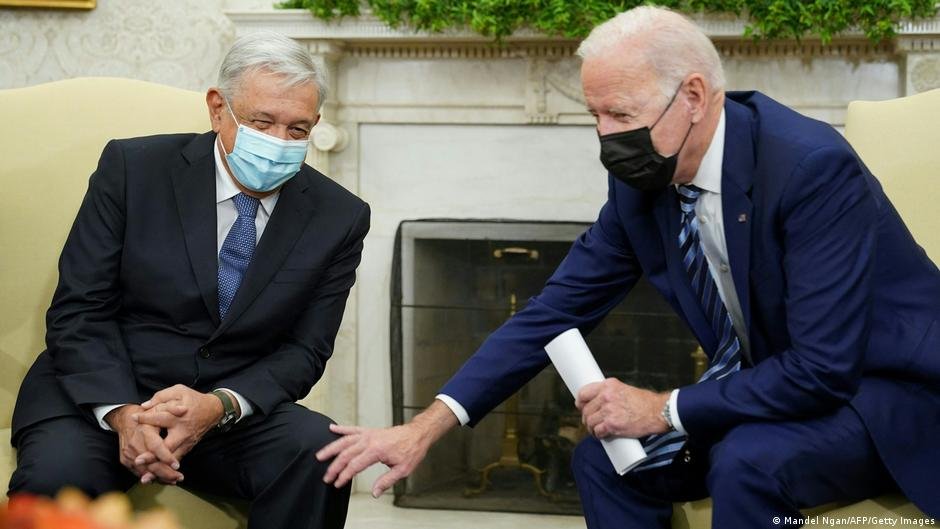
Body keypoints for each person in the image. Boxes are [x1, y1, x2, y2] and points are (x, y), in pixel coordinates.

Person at [316, 6, 940, 528]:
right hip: (773, 389)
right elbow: (553, 312)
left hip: (881, 395)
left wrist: (663, 409)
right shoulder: (643, 185)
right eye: (595, 115)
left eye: (621, 114)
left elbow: (822, 370)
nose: (606, 138)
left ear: (693, 96)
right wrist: (425, 428)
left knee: (746, 461)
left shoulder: (809, 168)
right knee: (605, 460)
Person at [7, 31, 368, 529]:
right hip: (99, 396)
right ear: (218, 109)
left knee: (324, 453)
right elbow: (80, 309)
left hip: (221, 413)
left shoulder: (339, 216)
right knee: (55, 481)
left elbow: (306, 350)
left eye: (297, 129)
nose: (279, 142)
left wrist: (218, 406)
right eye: (262, 122)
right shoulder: (133, 169)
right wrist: (123, 413)